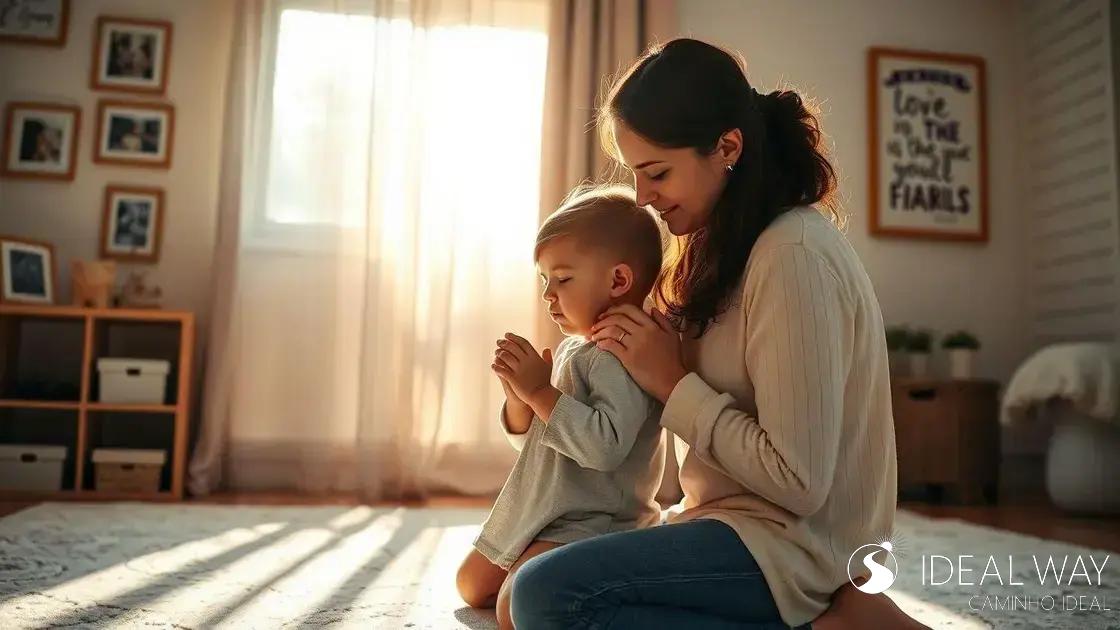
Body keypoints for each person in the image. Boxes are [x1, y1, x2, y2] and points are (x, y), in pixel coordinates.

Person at [508, 38, 926, 629]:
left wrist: (672, 379)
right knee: (519, 597)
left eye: (657, 173)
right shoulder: (712, 248)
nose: (642, 197)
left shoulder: (793, 256)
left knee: (547, 598)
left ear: (728, 147)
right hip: (725, 525)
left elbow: (799, 483)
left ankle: (841, 619)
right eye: (635, 173)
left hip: (798, 549)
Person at [456, 185, 668, 630]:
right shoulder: (577, 348)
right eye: (544, 281)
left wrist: (539, 393)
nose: (548, 294)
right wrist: (520, 400)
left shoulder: (620, 353)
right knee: (470, 585)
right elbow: (539, 444)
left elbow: (603, 448)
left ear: (618, 281)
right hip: (546, 508)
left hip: (594, 521)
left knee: (511, 611)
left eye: (563, 279)